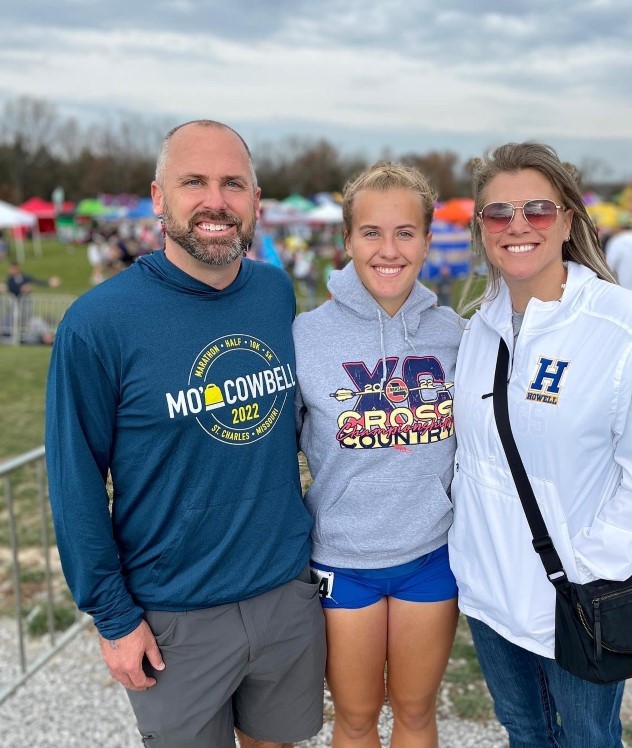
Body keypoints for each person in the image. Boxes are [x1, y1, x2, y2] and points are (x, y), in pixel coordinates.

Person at [45, 120, 326, 748]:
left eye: (233, 183)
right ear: (158, 198)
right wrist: (114, 619)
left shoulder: (276, 293)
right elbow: (75, 481)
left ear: (257, 201)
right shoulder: (98, 323)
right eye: (193, 181)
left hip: (284, 591)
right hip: (174, 615)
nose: (215, 201)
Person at [448, 142, 632, 748]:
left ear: (567, 220)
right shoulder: (476, 328)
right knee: (525, 733)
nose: (517, 227)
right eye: (497, 214)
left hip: (574, 597)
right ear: (481, 229)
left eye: (536, 209)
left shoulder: (625, 325)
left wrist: (589, 569)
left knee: (587, 740)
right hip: (489, 597)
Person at [293, 162, 462, 747]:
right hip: (343, 560)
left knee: (416, 715)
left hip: (429, 554)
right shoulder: (305, 336)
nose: (388, 250)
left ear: (427, 239)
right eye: (371, 232)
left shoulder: (454, 334)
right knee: (358, 719)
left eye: (405, 232)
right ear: (346, 240)